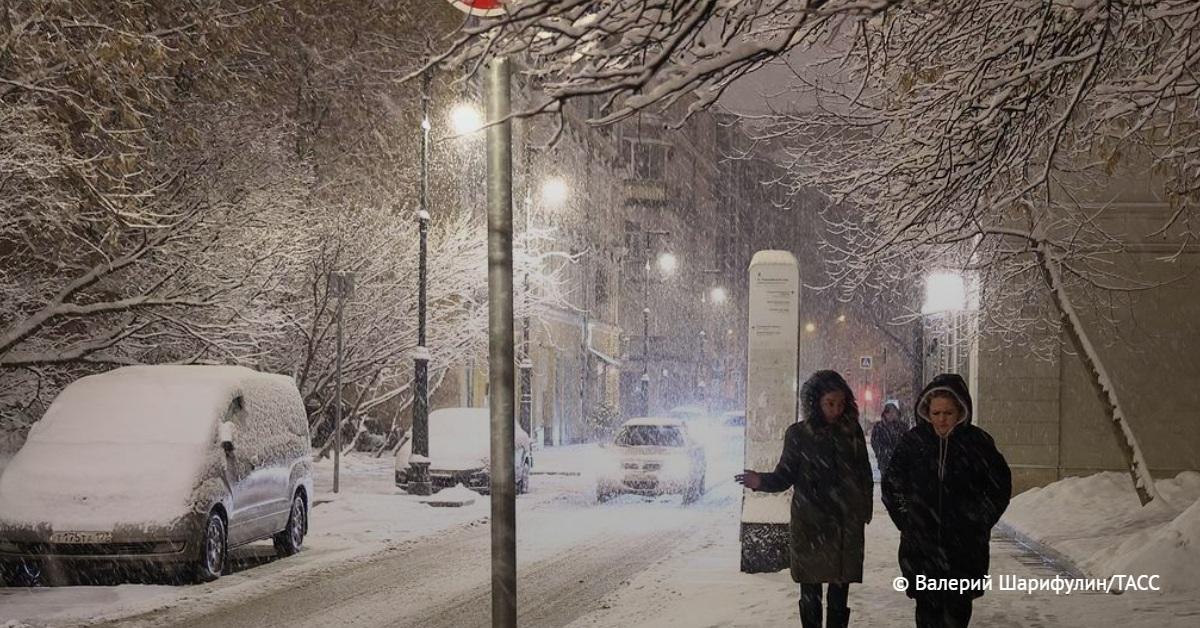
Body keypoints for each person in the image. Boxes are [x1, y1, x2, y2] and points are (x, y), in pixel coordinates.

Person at [736, 370, 873, 628]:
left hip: (845, 525)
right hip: (811, 524)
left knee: (839, 595)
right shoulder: (798, 434)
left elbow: (864, 474)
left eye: (841, 404)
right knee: (810, 593)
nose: (835, 410)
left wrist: (863, 510)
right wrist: (760, 481)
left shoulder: (851, 432)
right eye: (829, 403)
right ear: (815, 402)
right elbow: (785, 475)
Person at [881, 373, 1012, 628]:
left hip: (964, 551)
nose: (941, 419)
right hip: (921, 551)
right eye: (936, 412)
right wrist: (908, 519)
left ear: (961, 410)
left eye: (948, 413)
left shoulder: (977, 443)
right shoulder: (913, 441)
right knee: (927, 616)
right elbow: (892, 484)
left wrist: (980, 519)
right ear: (927, 411)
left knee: (957, 615)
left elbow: (999, 485)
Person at [871, 399, 908, 474]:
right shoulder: (879, 427)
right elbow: (875, 442)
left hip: (900, 462)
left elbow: (907, 442)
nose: (891, 415)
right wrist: (883, 453)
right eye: (888, 413)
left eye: (893, 412)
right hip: (885, 462)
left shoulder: (902, 427)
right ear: (884, 414)